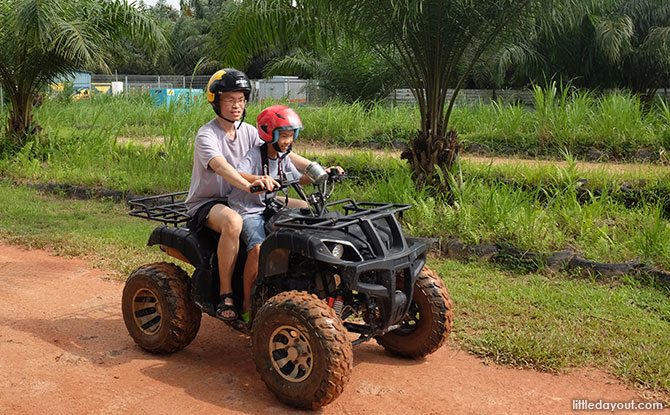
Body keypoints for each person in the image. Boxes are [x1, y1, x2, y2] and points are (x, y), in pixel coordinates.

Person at [184, 68, 338, 321]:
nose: (237, 105)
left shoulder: (247, 131)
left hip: (254, 196)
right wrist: (250, 184)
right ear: (216, 101)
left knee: (308, 209)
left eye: (241, 99)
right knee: (233, 221)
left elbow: (280, 149)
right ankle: (226, 294)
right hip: (212, 202)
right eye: (230, 99)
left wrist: (317, 170)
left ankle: (302, 278)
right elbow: (222, 167)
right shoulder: (207, 134)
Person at [228, 105, 312, 321]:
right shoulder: (255, 154)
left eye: (291, 136)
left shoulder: (284, 157)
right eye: (283, 136)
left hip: (271, 205)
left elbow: (297, 179)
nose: (288, 141)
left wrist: (320, 174)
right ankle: (246, 303)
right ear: (269, 134)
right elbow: (236, 172)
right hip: (248, 209)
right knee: (257, 249)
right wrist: (257, 180)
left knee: (306, 217)